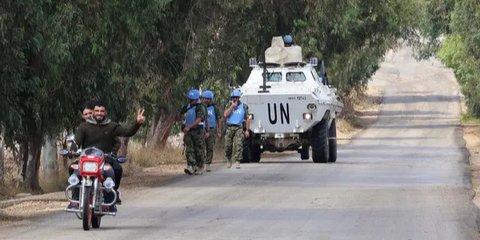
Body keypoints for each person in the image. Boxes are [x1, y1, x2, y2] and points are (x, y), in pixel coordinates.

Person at [73, 100, 145, 212]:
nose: (99, 113)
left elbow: (127, 132)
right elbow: (76, 142)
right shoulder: (84, 127)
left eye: (102, 111)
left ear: (106, 112)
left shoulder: (112, 126)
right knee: (73, 169)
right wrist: (72, 151)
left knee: (114, 170)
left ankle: (110, 200)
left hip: (105, 160)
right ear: (93, 112)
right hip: (87, 160)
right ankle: (74, 200)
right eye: (97, 111)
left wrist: (137, 123)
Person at [180, 89, 206, 175]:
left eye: (192, 99)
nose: (191, 101)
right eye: (190, 99)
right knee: (189, 149)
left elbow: (199, 119)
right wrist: (183, 126)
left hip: (198, 130)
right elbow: (180, 116)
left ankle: (200, 166)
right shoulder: (186, 107)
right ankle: (190, 166)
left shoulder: (200, 107)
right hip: (188, 131)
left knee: (198, 149)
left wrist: (189, 126)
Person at [224, 89, 250, 169]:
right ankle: (228, 159)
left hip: (239, 127)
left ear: (239, 98)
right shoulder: (229, 104)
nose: (234, 99)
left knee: (239, 144)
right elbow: (225, 115)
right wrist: (232, 107)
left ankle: (237, 161)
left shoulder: (244, 106)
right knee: (228, 145)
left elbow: (247, 118)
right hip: (229, 127)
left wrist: (247, 130)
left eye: (236, 97)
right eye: (233, 97)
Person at [201, 90, 222, 172]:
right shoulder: (200, 107)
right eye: (205, 99)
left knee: (210, 147)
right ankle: (201, 163)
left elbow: (219, 119)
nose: (206, 100)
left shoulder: (215, 108)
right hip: (201, 129)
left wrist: (219, 131)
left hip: (212, 129)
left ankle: (208, 164)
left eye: (208, 99)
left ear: (211, 99)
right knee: (201, 147)